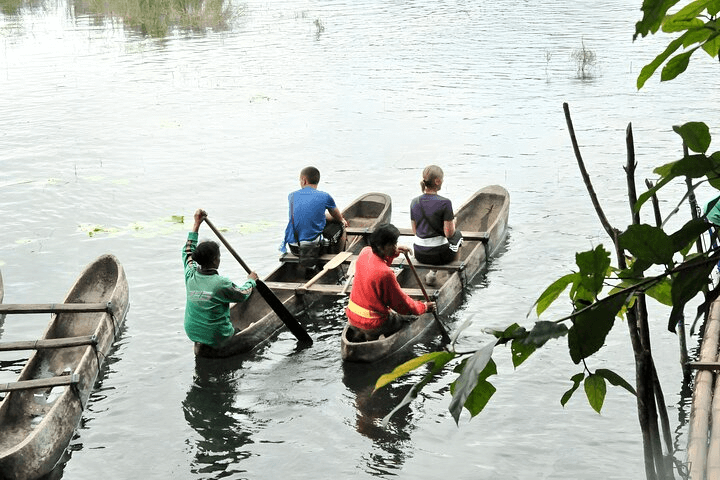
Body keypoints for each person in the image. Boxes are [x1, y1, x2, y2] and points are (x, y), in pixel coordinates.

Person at [183, 208, 259, 352]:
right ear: (215, 260)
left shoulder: (190, 273)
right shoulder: (221, 284)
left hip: (193, 334)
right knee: (244, 335)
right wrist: (251, 280)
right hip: (217, 337)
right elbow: (242, 294)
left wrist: (196, 224)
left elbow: (187, 250)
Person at [346, 223, 435, 341]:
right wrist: (423, 307)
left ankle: (366, 335)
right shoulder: (386, 274)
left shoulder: (364, 252)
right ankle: (375, 335)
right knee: (409, 317)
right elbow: (402, 304)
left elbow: (378, 262)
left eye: (395, 243)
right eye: (392, 245)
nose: (395, 246)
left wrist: (395, 252)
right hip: (373, 323)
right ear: (380, 247)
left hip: (352, 316)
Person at [280, 166, 349, 274]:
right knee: (340, 226)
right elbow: (337, 215)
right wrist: (341, 220)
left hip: (294, 247)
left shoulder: (292, 196)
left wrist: (326, 217)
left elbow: (307, 214)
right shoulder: (325, 196)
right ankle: (337, 262)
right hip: (314, 248)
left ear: (304, 180)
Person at [410, 165, 462, 285]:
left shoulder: (414, 202)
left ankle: (432, 274)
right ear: (437, 181)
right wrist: (453, 223)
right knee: (458, 235)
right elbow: (449, 234)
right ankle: (451, 273)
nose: (443, 182)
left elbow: (415, 231)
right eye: (442, 179)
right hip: (439, 255)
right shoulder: (445, 203)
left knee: (438, 241)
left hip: (419, 253)